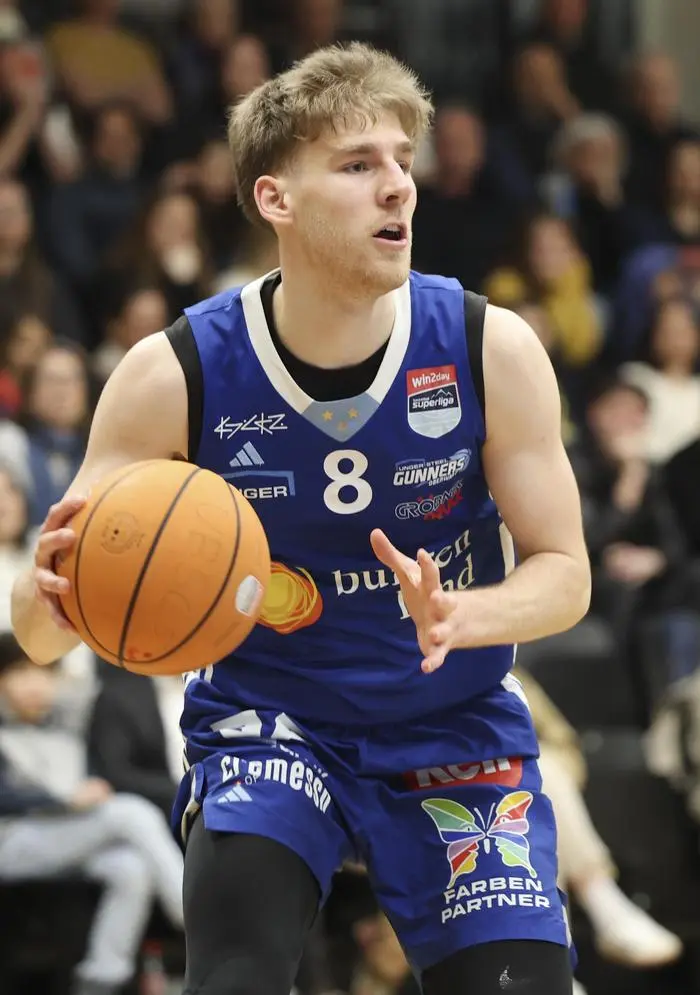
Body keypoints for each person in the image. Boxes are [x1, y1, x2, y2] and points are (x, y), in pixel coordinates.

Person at [11, 43, 591, 995]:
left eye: (402, 160)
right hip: (269, 720)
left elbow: (566, 571)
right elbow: (43, 636)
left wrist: (466, 614)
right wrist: (48, 597)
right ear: (275, 198)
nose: (397, 186)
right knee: (235, 973)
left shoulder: (488, 345)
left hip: (451, 722)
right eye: (357, 165)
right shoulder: (175, 374)